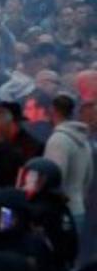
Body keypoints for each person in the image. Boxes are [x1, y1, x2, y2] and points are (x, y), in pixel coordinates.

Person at [43, 94, 93, 237]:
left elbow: (54, 179)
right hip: (78, 208)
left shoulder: (58, 140)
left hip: (61, 213)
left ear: (53, 110)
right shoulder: (84, 140)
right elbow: (88, 176)